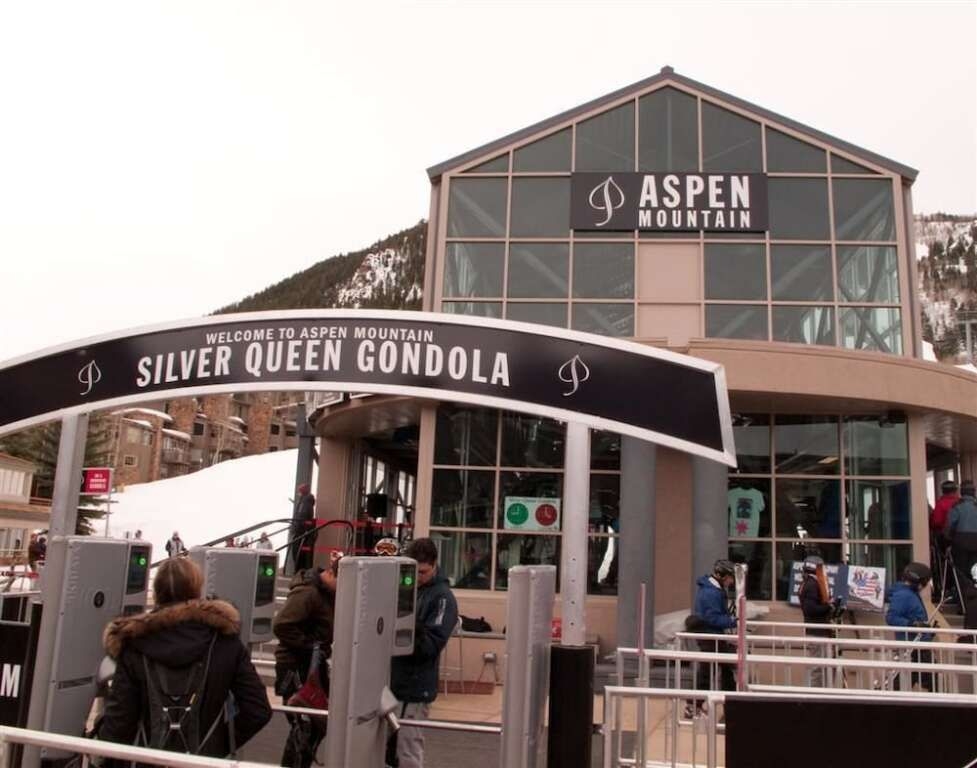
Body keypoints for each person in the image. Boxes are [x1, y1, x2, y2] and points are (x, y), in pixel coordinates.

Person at [97, 558, 271, 760]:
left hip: (147, 760)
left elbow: (118, 725)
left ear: (157, 592)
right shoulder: (225, 642)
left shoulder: (134, 645)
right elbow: (258, 710)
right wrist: (218, 744)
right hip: (205, 762)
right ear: (197, 590)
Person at [389, 538, 458, 768]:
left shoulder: (442, 598)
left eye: (423, 572)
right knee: (387, 748)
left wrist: (411, 626)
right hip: (395, 680)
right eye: (414, 572)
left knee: (408, 750)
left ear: (434, 565)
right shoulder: (408, 589)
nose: (418, 578)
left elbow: (431, 645)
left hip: (415, 686)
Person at [272, 552, 339, 768]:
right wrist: (311, 645)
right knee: (305, 727)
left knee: (313, 726)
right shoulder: (308, 593)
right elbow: (282, 625)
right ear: (331, 575)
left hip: (310, 663)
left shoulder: (324, 593)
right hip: (297, 666)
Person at [685, 559, 737, 716]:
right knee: (714, 672)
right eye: (730, 578)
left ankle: (696, 705)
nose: (731, 582)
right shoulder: (711, 592)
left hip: (711, 635)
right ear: (722, 576)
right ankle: (695, 706)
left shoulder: (713, 589)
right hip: (709, 635)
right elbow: (712, 618)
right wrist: (732, 621)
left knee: (716, 671)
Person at [885, 561, 934, 691]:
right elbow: (891, 617)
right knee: (933, 683)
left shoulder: (909, 593)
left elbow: (914, 616)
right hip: (913, 648)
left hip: (917, 645)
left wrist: (927, 631)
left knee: (906, 682)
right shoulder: (904, 595)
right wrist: (912, 625)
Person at [798, 555, 842, 687]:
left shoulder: (811, 583)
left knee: (824, 667)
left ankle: (823, 692)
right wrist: (829, 606)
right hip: (817, 632)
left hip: (820, 632)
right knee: (818, 668)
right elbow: (810, 609)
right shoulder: (812, 584)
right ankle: (816, 694)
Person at [290, 483, 317, 572]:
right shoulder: (305, 501)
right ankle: (300, 571)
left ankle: (300, 571)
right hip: (302, 530)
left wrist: (296, 526)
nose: (299, 494)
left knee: (298, 552)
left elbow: (302, 516)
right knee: (299, 552)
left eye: (300, 492)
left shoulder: (305, 502)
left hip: (301, 531)